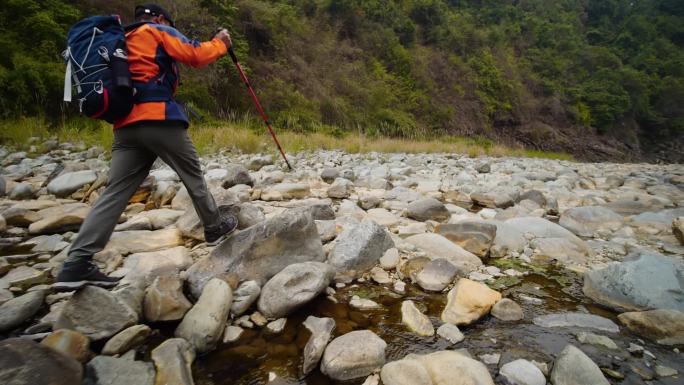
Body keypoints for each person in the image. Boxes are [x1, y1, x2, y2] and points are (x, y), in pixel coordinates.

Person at [54, 4, 237, 290]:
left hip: (125, 127)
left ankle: (76, 263)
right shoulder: (156, 30)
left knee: (114, 193)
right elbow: (196, 55)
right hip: (158, 119)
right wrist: (220, 43)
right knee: (192, 175)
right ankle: (213, 226)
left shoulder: (118, 40)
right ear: (161, 18)